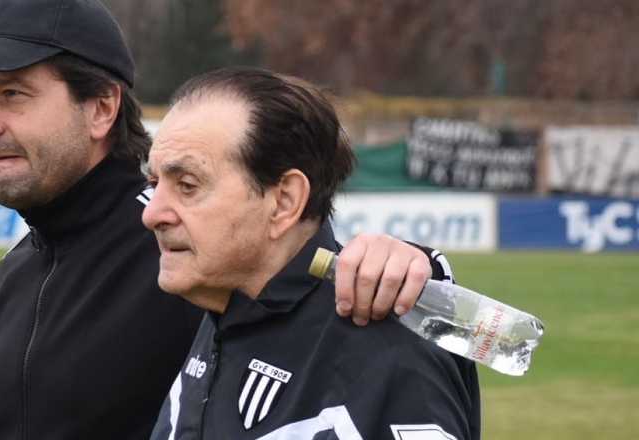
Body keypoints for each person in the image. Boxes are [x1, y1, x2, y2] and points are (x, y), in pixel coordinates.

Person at [0, 0, 456, 437]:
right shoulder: (13, 275)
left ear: (102, 107)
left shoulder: (186, 250)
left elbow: (300, 271)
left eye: (12, 95)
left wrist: (412, 268)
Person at [143, 67, 480, 440]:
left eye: (187, 185)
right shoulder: (223, 311)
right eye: (155, 183)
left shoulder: (386, 352)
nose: (151, 213)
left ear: (284, 201)